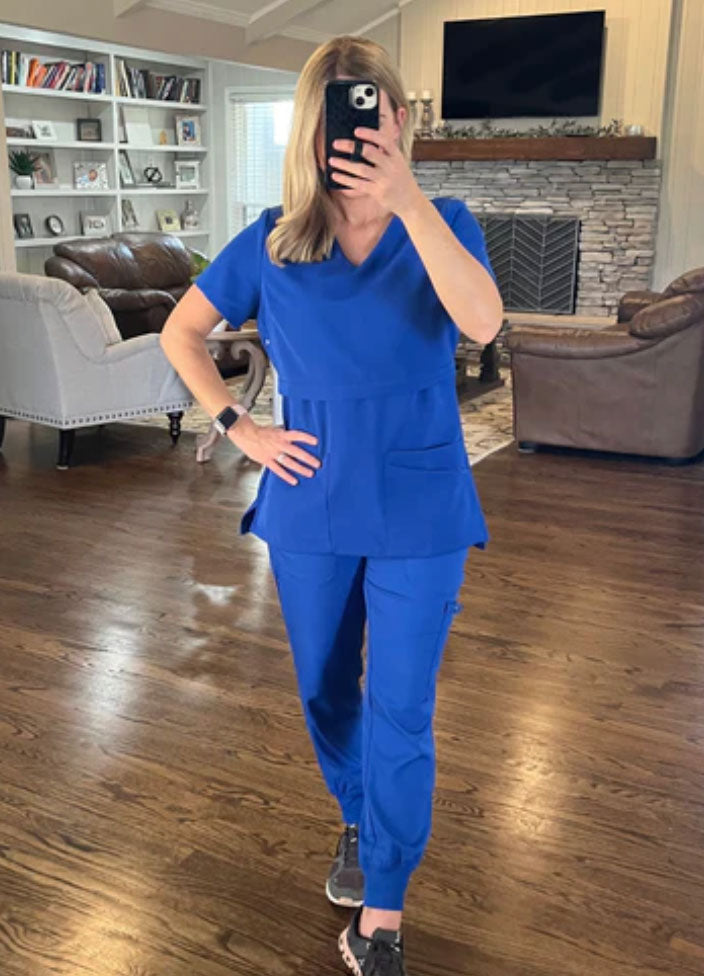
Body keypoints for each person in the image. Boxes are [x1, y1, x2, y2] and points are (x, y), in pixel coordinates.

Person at [160, 34, 503, 976]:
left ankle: (382, 913)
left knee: (402, 705)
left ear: (399, 118)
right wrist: (241, 427)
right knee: (325, 686)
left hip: (421, 502)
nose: (356, 133)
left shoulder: (446, 221)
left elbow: (483, 322)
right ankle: (356, 811)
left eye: (373, 111)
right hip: (309, 499)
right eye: (337, 118)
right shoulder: (272, 239)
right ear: (312, 133)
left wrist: (409, 201)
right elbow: (182, 333)